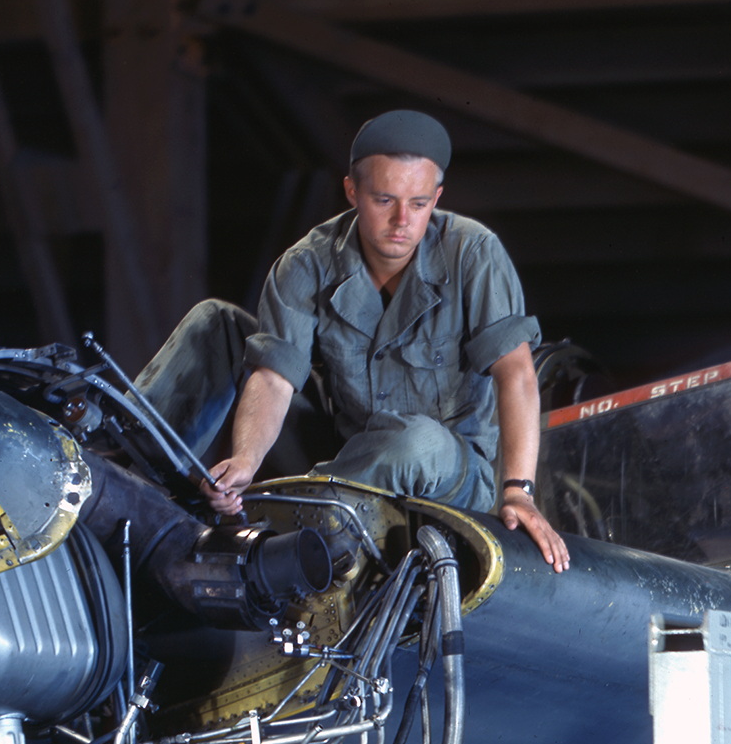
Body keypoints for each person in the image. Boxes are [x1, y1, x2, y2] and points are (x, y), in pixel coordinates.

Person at [142, 107, 572, 575]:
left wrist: (517, 491)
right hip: (348, 453)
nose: (402, 220)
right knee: (215, 321)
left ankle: (292, 524)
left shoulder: (473, 252)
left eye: (420, 203)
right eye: (384, 200)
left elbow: (516, 372)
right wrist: (244, 460)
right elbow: (274, 377)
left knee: (419, 440)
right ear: (352, 191)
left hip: (451, 470)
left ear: (438, 197)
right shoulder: (307, 263)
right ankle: (122, 467)